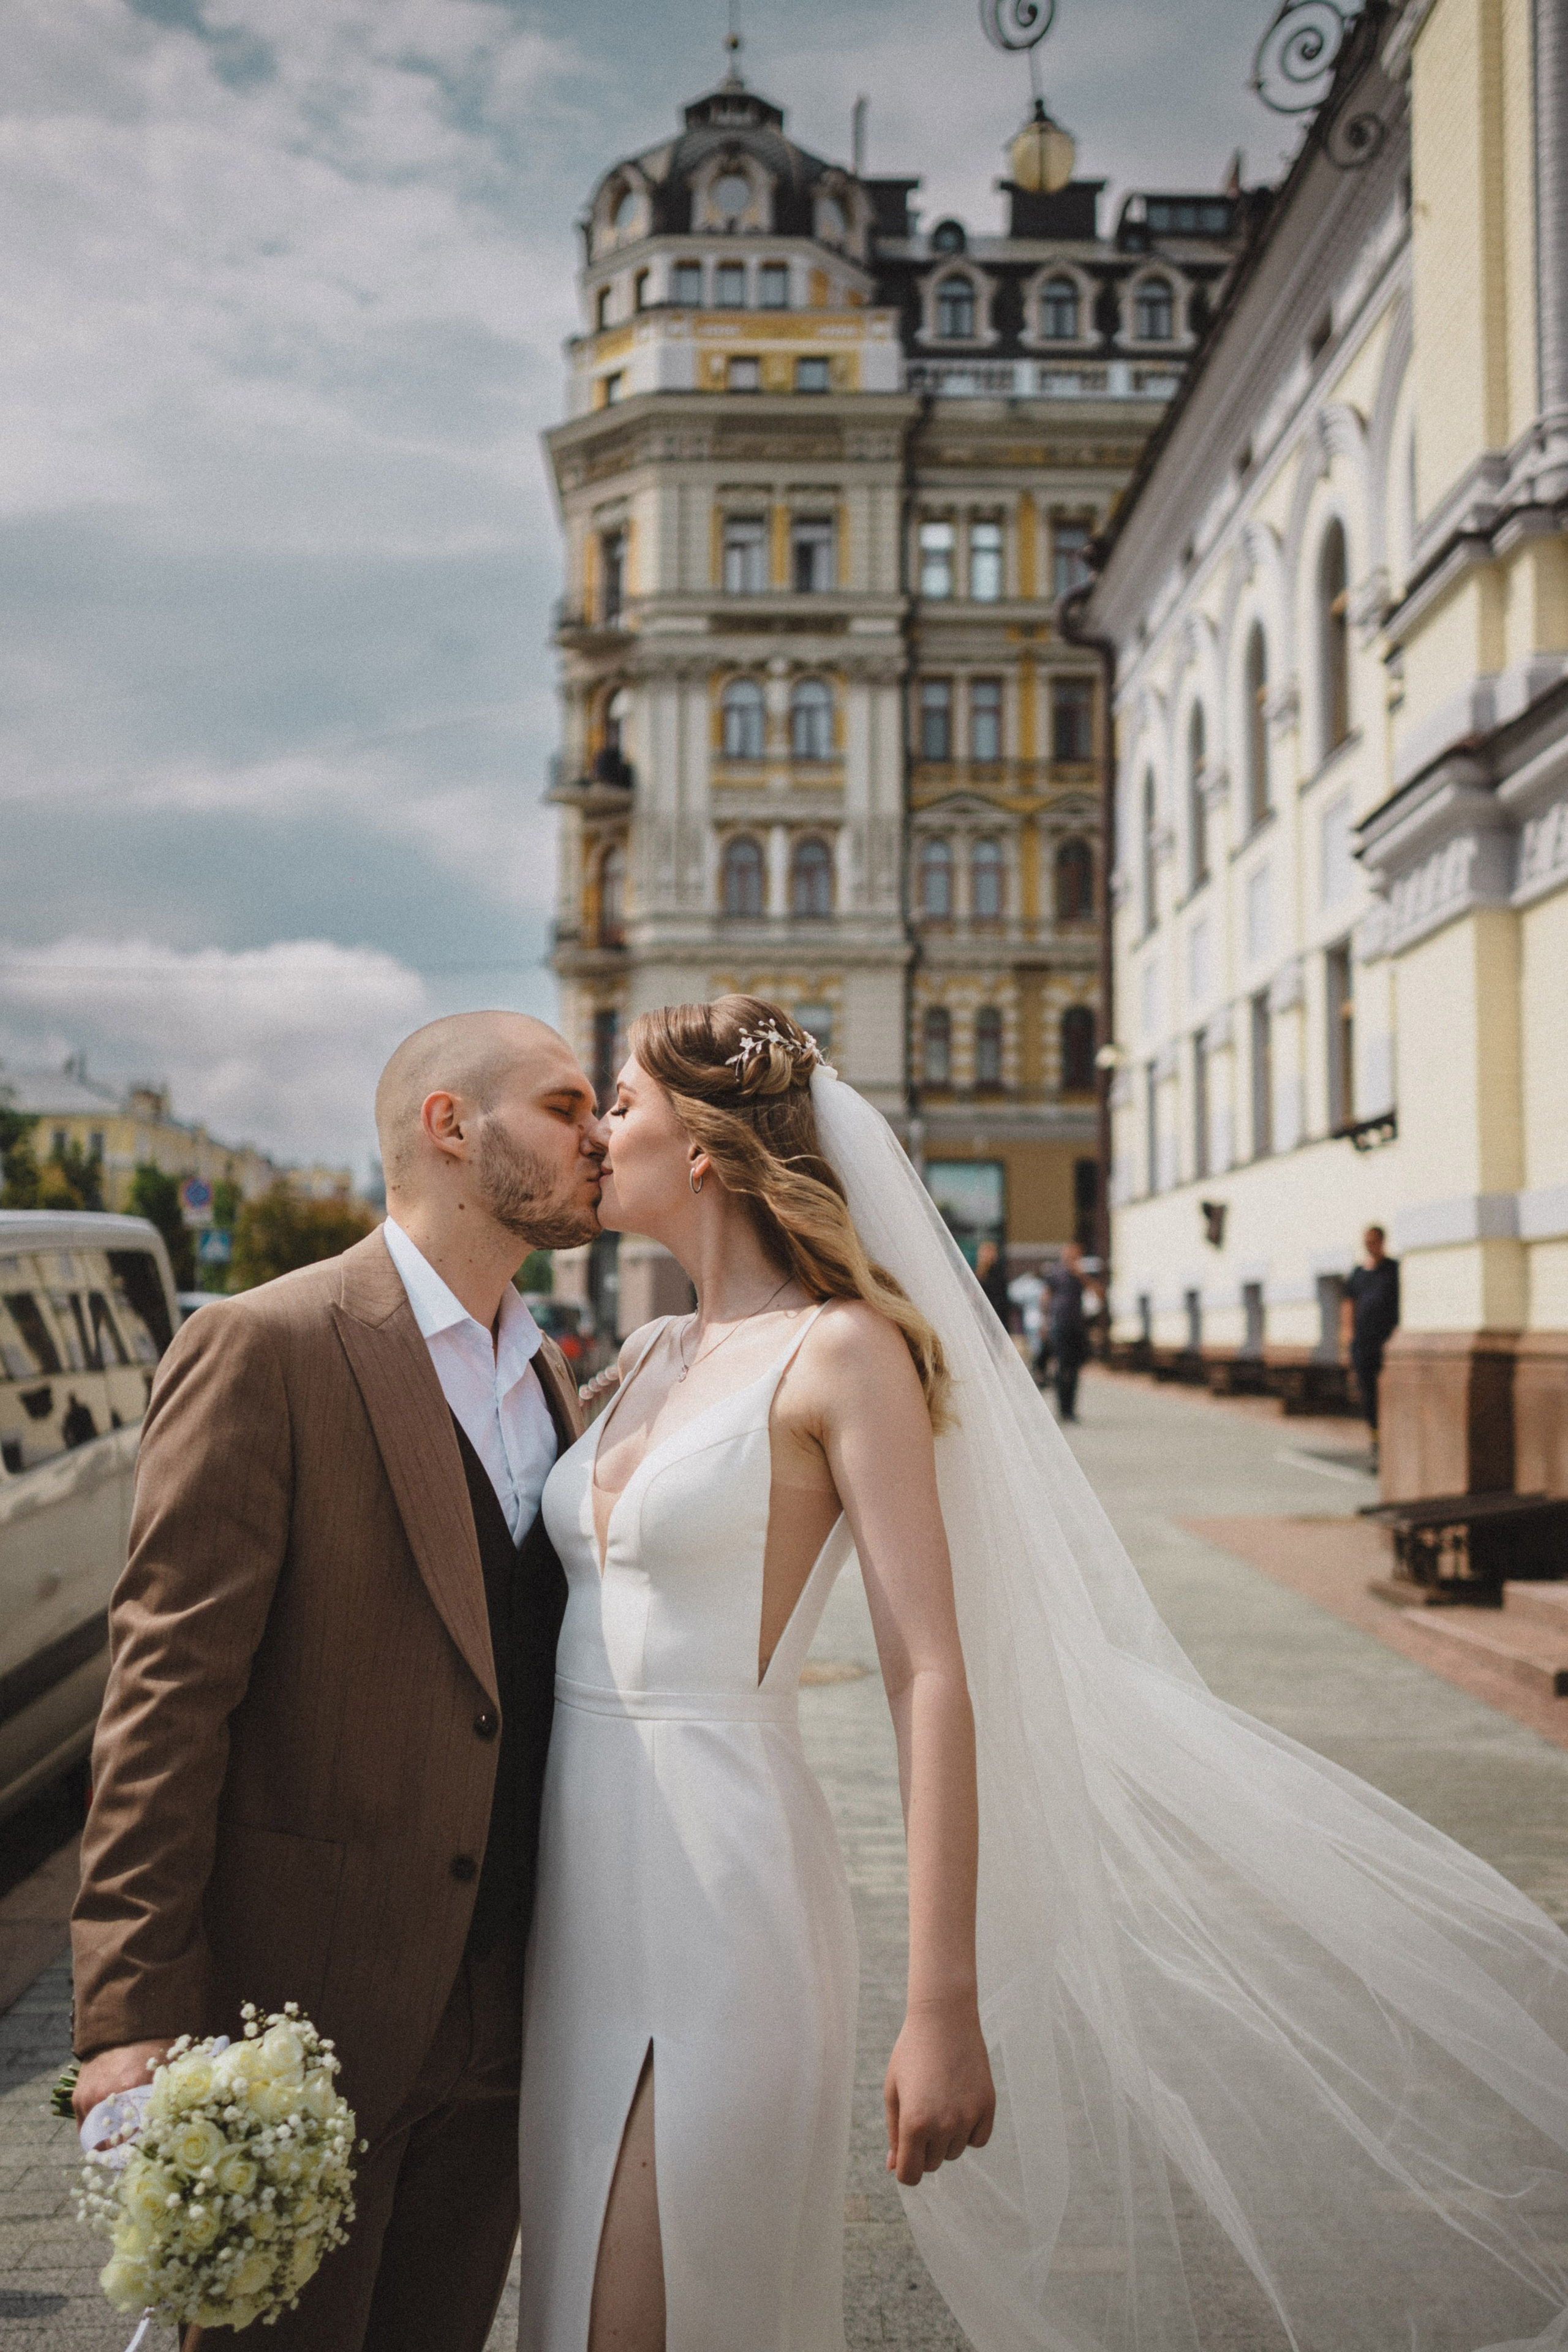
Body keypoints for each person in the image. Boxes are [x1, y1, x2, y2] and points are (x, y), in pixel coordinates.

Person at [521, 995, 1568, 2352]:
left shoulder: (841, 1352)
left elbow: (929, 1671)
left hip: (722, 1877)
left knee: (659, 2306)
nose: (598, 1137)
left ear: (708, 1147)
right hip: (570, 1889)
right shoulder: (646, 1355)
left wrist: (939, 2003)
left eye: (618, 1106)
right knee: (570, 2293)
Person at [70, 1011, 608, 2352]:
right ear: (449, 1127)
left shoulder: (545, 1371)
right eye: (564, 1106)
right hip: (307, 2010)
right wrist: (130, 2017)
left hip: (505, 2014)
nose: (600, 1138)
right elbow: (164, 1696)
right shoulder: (271, 1343)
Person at [1341, 1223, 1400, 1468]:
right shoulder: (1358, 1274)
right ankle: (1377, 1446)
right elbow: (1348, 1306)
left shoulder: (1393, 1270)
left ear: (1382, 1242)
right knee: (1369, 1398)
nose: (1370, 1245)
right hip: (1363, 1346)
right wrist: (1347, 1339)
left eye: (1374, 1240)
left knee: (1388, 1396)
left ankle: (1392, 1446)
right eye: (1366, 1241)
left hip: (1386, 1345)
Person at [1043, 1240, 1090, 1421]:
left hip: (1077, 1327)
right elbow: (1046, 1297)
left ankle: (1071, 1408)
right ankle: (1062, 1408)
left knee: (1075, 1368)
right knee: (1062, 1367)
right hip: (1060, 1325)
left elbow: (1099, 1293)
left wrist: (1081, 1275)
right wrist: (1045, 1322)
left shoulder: (1081, 1275)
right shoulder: (1055, 1273)